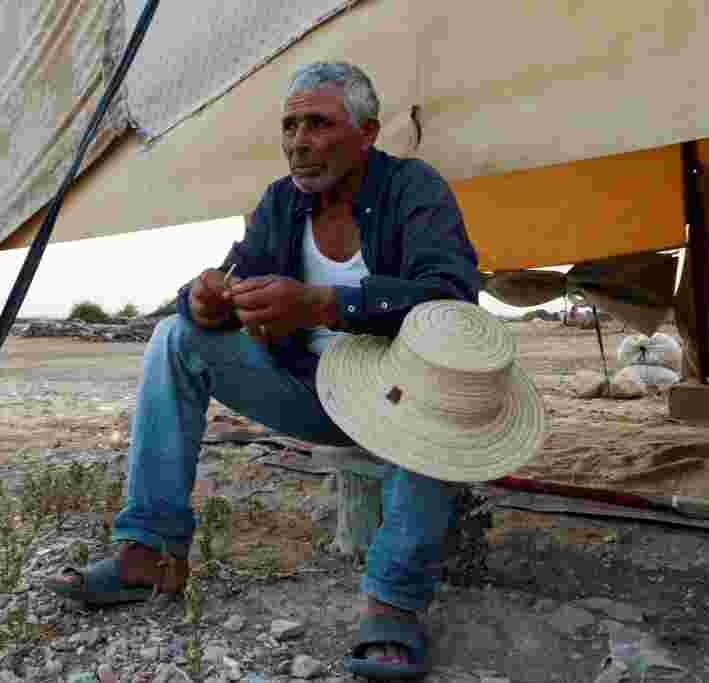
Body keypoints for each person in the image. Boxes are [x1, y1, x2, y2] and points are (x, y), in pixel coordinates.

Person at [46, 61, 481, 678]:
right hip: (311, 393)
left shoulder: (415, 189)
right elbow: (232, 275)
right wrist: (202, 299)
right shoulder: (281, 202)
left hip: (401, 400)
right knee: (177, 337)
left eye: (318, 124)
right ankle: (150, 552)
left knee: (443, 388)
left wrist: (324, 304)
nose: (299, 141)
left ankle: (393, 604)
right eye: (290, 126)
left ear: (368, 132)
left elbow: (452, 301)